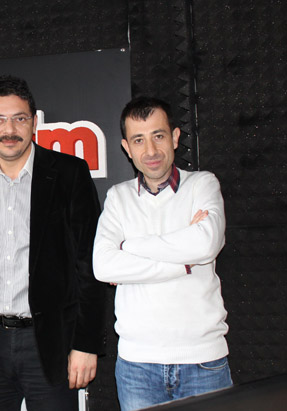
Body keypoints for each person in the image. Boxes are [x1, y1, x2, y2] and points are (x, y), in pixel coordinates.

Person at [0, 75, 106, 411]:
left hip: (50, 343)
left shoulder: (69, 174)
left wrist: (86, 343)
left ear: (34, 122)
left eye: (19, 118)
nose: (9, 129)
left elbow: (89, 266)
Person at [93, 97, 232, 410]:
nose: (151, 151)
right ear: (127, 148)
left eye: (158, 136)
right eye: (138, 140)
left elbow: (205, 244)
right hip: (137, 367)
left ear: (175, 137)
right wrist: (185, 262)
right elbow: (103, 266)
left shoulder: (203, 185)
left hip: (203, 362)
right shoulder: (118, 198)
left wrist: (130, 246)